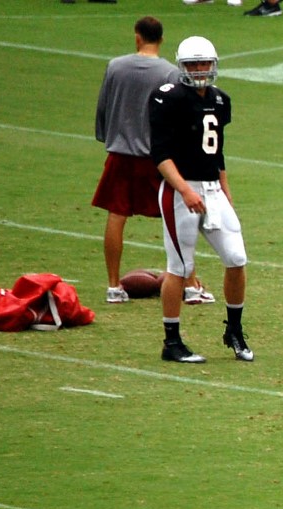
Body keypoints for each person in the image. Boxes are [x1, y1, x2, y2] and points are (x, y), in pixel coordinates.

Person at [91, 17, 214, 306]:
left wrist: (107, 136)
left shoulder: (115, 66)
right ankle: (190, 285)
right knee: (178, 220)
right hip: (158, 159)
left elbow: (103, 106)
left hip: (120, 155)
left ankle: (113, 286)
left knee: (116, 215)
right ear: (161, 40)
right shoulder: (170, 72)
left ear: (137, 37)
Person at [149, 36, 252, 363]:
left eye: (203, 63)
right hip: (179, 190)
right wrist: (184, 189)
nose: (199, 70)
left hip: (212, 188)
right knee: (180, 266)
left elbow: (216, 151)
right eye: (192, 64)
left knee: (236, 258)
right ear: (182, 66)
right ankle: (171, 341)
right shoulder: (168, 97)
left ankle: (234, 330)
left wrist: (225, 188)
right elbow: (160, 154)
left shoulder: (220, 100)